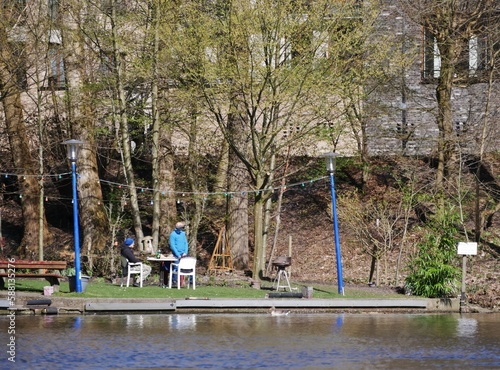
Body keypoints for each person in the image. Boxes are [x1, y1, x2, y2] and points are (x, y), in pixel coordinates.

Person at [169, 222, 189, 287]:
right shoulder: (173, 234)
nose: (182, 229)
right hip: (176, 255)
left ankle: (188, 282)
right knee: (176, 267)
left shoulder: (183, 234)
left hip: (184, 254)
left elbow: (186, 243)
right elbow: (173, 246)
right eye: (181, 227)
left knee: (187, 267)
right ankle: (174, 281)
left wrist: (185, 252)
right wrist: (178, 255)